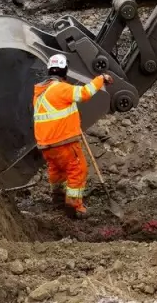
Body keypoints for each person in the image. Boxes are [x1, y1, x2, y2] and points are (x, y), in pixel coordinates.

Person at [32, 53, 113, 218]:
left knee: (57, 169)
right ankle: (74, 206)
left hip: (46, 145)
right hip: (64, 142)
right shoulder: (61, 88)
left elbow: (56, 114)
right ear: (64, 70)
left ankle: (57, 197)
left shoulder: (40, 92)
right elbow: (84, 93)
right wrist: (101, 79)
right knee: (77, 169)